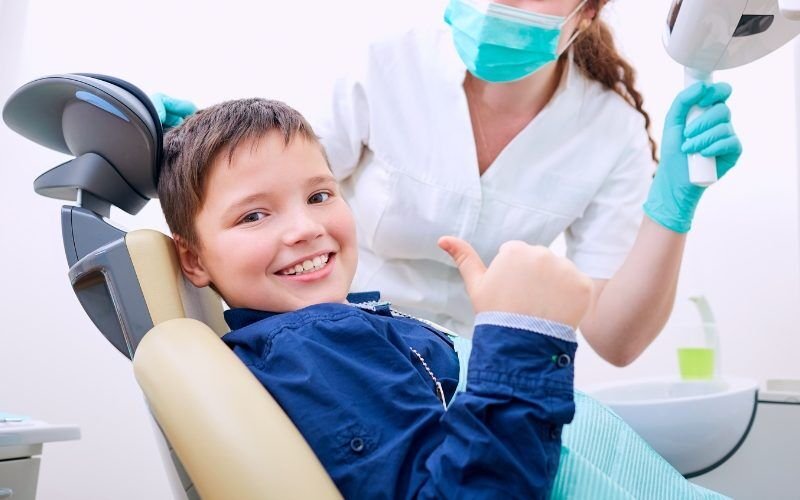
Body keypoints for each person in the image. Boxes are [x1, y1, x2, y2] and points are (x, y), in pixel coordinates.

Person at [152, 0, 743, 367]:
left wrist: (672, 209)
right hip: (347, 347)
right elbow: (278, 193)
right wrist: (182, 151)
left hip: (475, 369)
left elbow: (615, 340)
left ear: (584, 14)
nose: (490, 7)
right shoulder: (387, 66)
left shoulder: (608, 130)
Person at [157, 97, 593, 498]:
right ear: (193, 259)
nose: (306, 227)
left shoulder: (319, 335)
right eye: (254, 215)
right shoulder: (317, 347)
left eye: (319, 195)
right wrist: (524, 336)